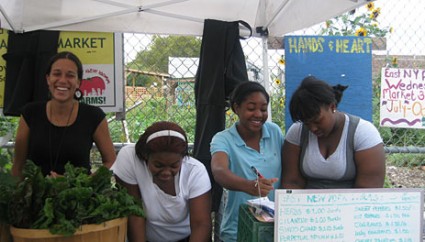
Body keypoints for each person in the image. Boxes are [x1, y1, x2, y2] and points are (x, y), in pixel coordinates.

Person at [11, 51, 116, 177]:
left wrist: (84, 184)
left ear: (78, 82)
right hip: (36, 194)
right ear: (48, 79)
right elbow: (18, 166)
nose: (62, 80)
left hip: (79, 195)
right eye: (57, 74)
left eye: (70, 75)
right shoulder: (30, 113)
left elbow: (111, 161)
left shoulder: (94, 116)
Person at [111, 121, 212, 242]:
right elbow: (134, 213)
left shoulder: (195, 172)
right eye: (158, 165)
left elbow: (200, 224)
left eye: (174, 166)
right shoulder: (129, 159)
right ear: (145, 156)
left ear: (183, 159)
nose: (166, 172)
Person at [210, 81, 284, 242]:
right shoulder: (223, 139)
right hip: (238, 229)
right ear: (236, 108)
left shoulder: (275, 132)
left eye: (263, 109)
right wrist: (250, 186)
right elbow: (219, 171)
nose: (258, 114)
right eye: (251, 108)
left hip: (275, 227)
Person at [282, 76, 386, 189]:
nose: (313, 128)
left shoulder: (363, 133)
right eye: (306, 123)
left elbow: (368, 189)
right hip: (307, 204)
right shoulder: (297, 132)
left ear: (332, 106)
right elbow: (292, 183)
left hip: (351, 204)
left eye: (317, 121)